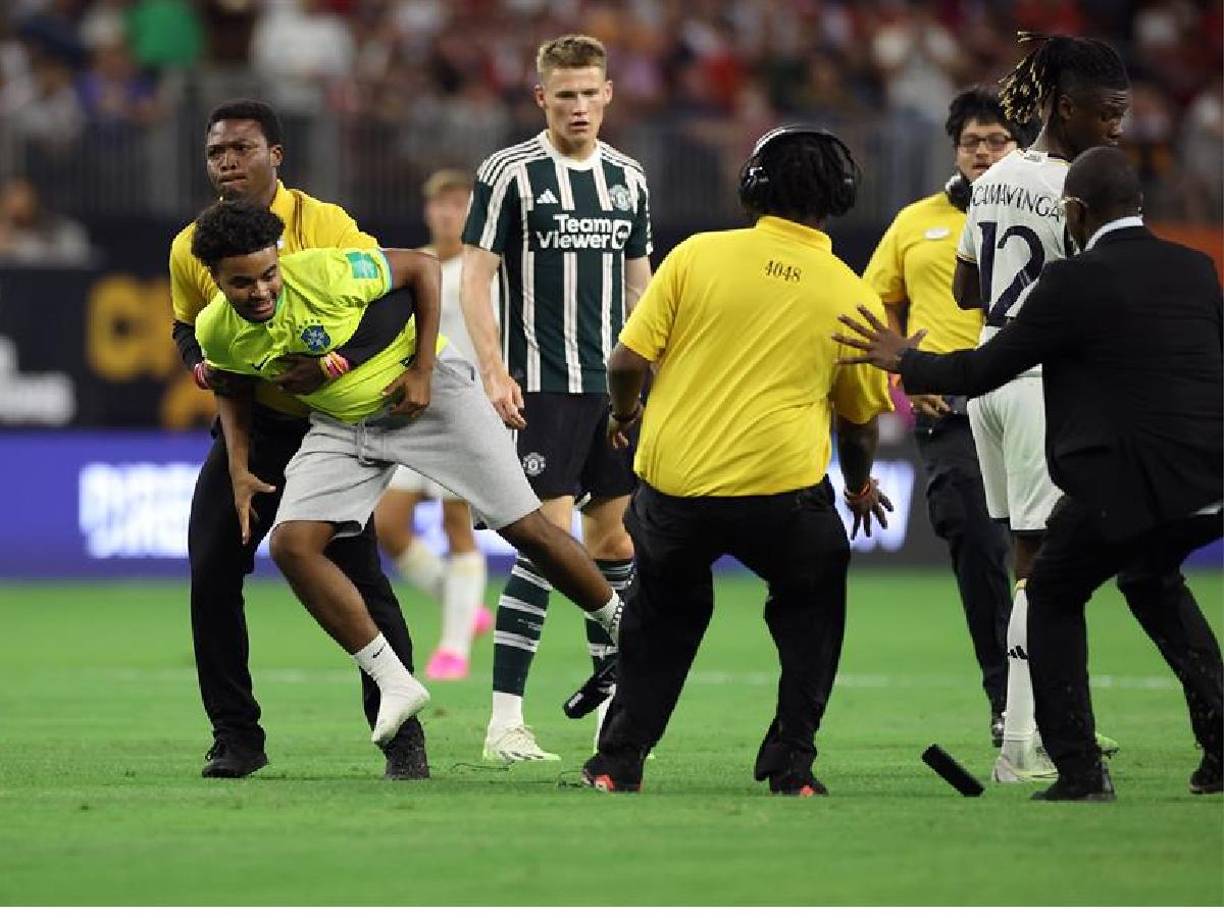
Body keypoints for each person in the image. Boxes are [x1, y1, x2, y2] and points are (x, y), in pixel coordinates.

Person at [835, 145, 1223, 802]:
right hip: (1207, 478)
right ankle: (1220, 747)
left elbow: (989, 367)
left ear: (1074, 212)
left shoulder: (1073, 281)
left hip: (1124, 481)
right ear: (1138, 206)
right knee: (1152, 582)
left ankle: (1075, 768)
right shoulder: (1195, 267)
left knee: (1049, 593)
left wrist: (907, 361)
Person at [191, 201, 627, 760]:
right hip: (344, 424)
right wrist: (239, 466)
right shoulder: (216, 330)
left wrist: (421, 369)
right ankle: (395, 682)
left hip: (430, 398)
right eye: (242, 282)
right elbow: (229, 383)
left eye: (268, 273)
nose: (260, 290)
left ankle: (624, 626)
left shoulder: (327, 271)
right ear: (217, 280)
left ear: (280, 259)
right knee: (293, 546)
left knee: (528, 528)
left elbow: (421, 268)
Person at [581, 126, 895, 795]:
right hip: (781, 495)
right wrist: (860, 486)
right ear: (839, 197)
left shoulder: (698, 255)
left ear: (753, 184)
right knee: (811, 609)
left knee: (660, 617)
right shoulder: (852, 293)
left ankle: (617, 763)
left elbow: (626, 362)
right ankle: (792, 766)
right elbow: (859, 422)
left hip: (674, 489)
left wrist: (623, 415)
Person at [168, 99, 425, 780]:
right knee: (212, 570)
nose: (227, 162)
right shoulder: (190, 247)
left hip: (330, 424)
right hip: (252, 423)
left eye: (241, 149)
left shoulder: (326, 224)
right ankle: (236, 738)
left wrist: (329, 365)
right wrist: (196, 357)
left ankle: (402, 737)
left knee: (359, 577)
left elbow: (390, 297)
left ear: (275, 156)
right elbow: (188, 328)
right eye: (216, 152)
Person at [460, 34, 654, 763]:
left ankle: (614, 712)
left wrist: (653, 372)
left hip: (615, 391)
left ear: (608, 95)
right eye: (564, 94)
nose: (578, 106)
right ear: (541, 98)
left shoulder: (629, 179)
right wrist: (492, 367)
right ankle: (504, 721)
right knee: (545, 546)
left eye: (589, 93)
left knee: (612, 544)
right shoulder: (509, 173)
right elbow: (476, 277)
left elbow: (642, 285)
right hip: (540, 386)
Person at [951, 34, 1128, 783]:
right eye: (1107, 113)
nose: (1116, 128)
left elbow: (965, 288)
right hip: (1036, 386)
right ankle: (1023, 746)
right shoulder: (1076, 189)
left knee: (1031, 559)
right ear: (1066, 106)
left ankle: (1029, 737)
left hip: (988, 381)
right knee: (1047, 571)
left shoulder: (996, 175)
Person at [863, 87, 1023, 746]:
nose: (984, 153)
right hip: (948, 409)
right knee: (977, 539)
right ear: (954, 149)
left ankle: (1058, 703)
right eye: (972, 143)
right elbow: (872, 306)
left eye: (996, 141)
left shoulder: (1045, 211)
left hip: (1032, 397)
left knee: (1055, 560)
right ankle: (1007, 701)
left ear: (1017, 147)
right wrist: (903, 373)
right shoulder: (914, 222)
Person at [374, 169, 495, 682]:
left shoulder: (484, 268)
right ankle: (463, 607)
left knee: (455, 523)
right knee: (388, 525)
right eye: (439, 204)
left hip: (464, 412)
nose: (448, 212)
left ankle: (453, 648)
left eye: (457, 203)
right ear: (428, 211)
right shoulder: (416, 266)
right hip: (414, 413)